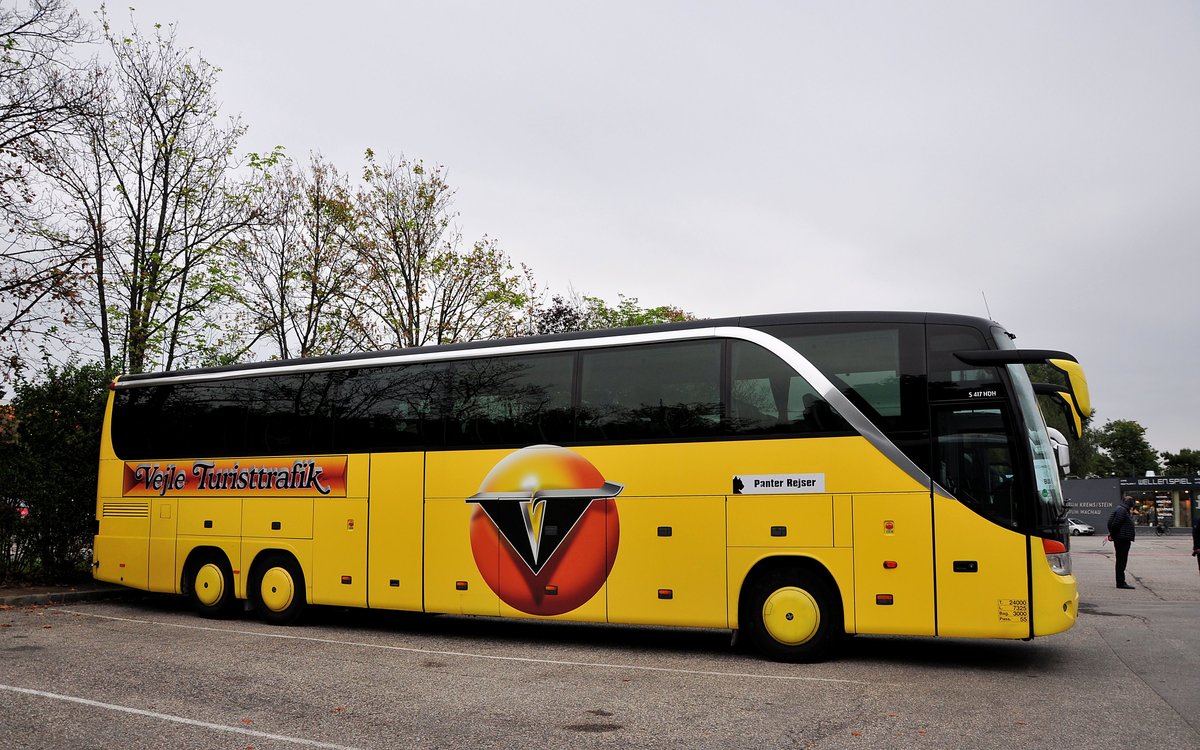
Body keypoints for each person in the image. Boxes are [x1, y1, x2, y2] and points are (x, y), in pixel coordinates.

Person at [1107, 495, 1137, 589]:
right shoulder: (1122, 510)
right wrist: (1112, 534)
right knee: (1121, 561)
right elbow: (1115, 523)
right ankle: (1120, 582)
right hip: (1122, 539)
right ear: (1128, 502)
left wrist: (1112, 534)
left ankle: (1120, 581)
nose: (1132, 505)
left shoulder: (1122, 509)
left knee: (1121, 561)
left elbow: (1112, 522)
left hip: (1122, 538)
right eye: (1131, 502)